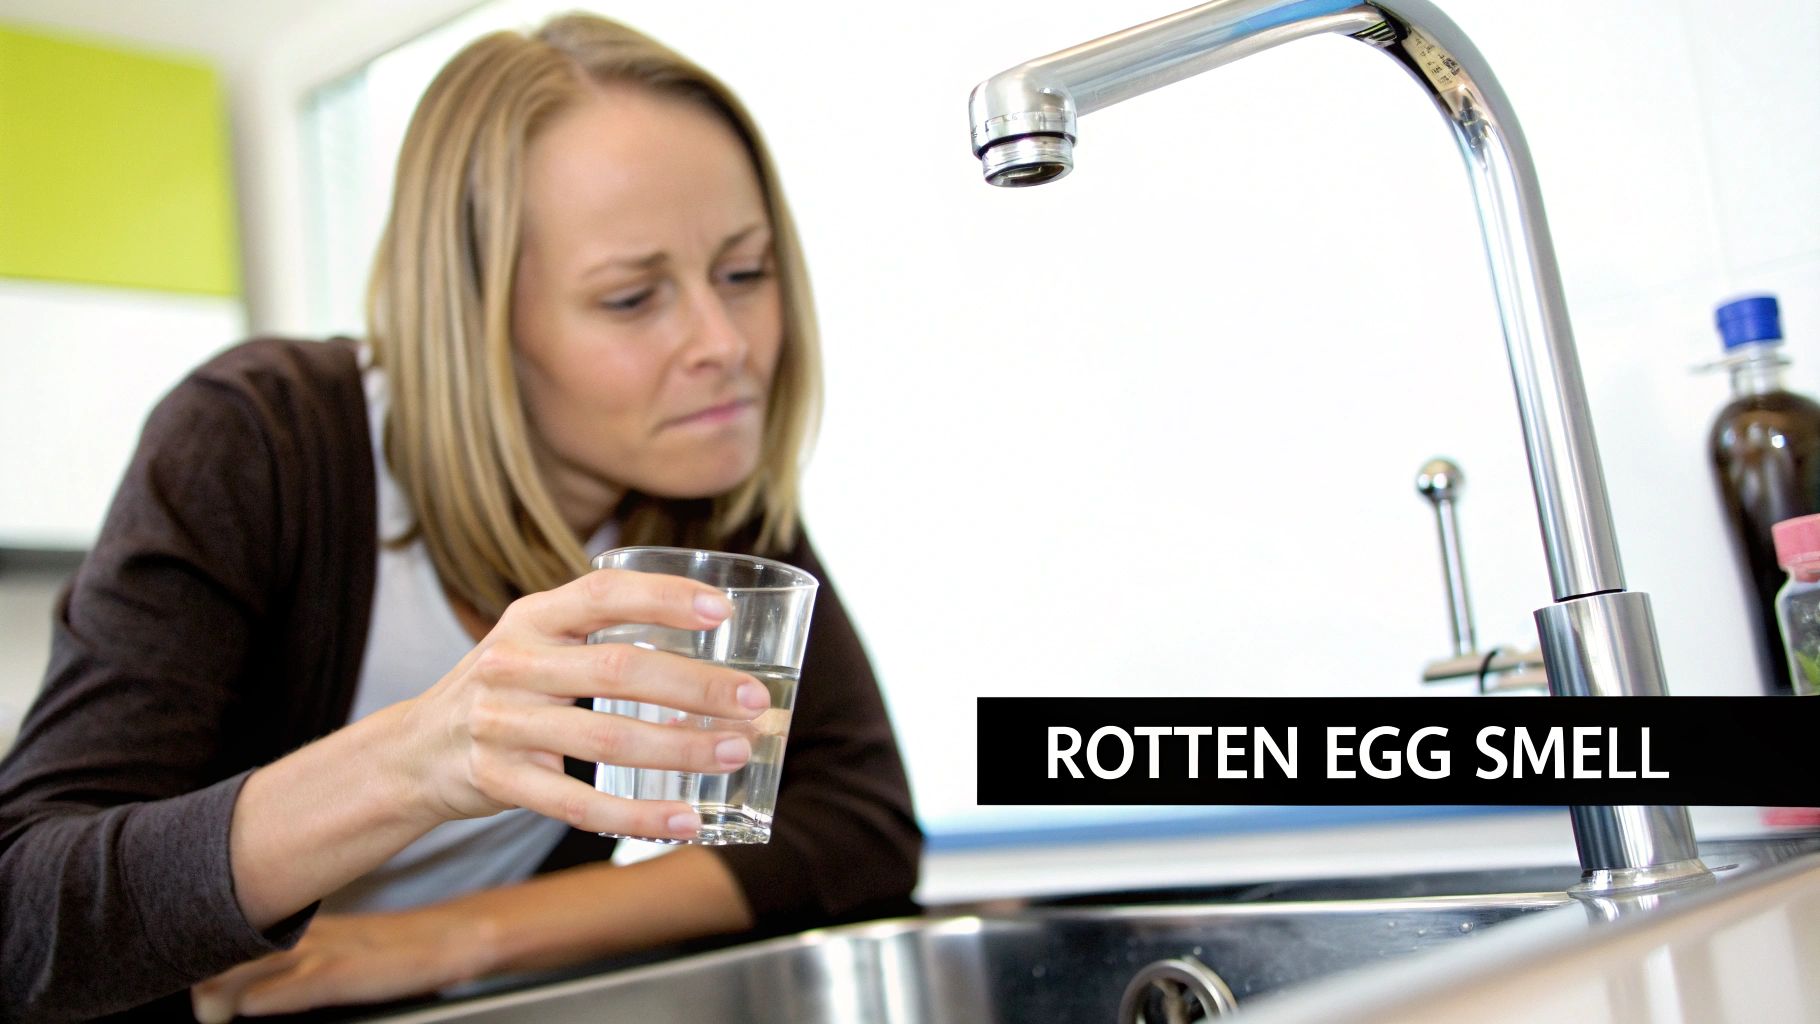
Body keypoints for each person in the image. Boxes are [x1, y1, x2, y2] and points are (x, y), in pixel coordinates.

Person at [0, 14, 920, 1021]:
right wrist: (419, 759)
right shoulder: (259, 439)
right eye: (629, 298)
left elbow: (857, 828)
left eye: (743, 273)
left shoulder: (700, 492)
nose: (724, 342)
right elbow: (26, 913)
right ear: (476, 320)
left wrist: (445, 937)